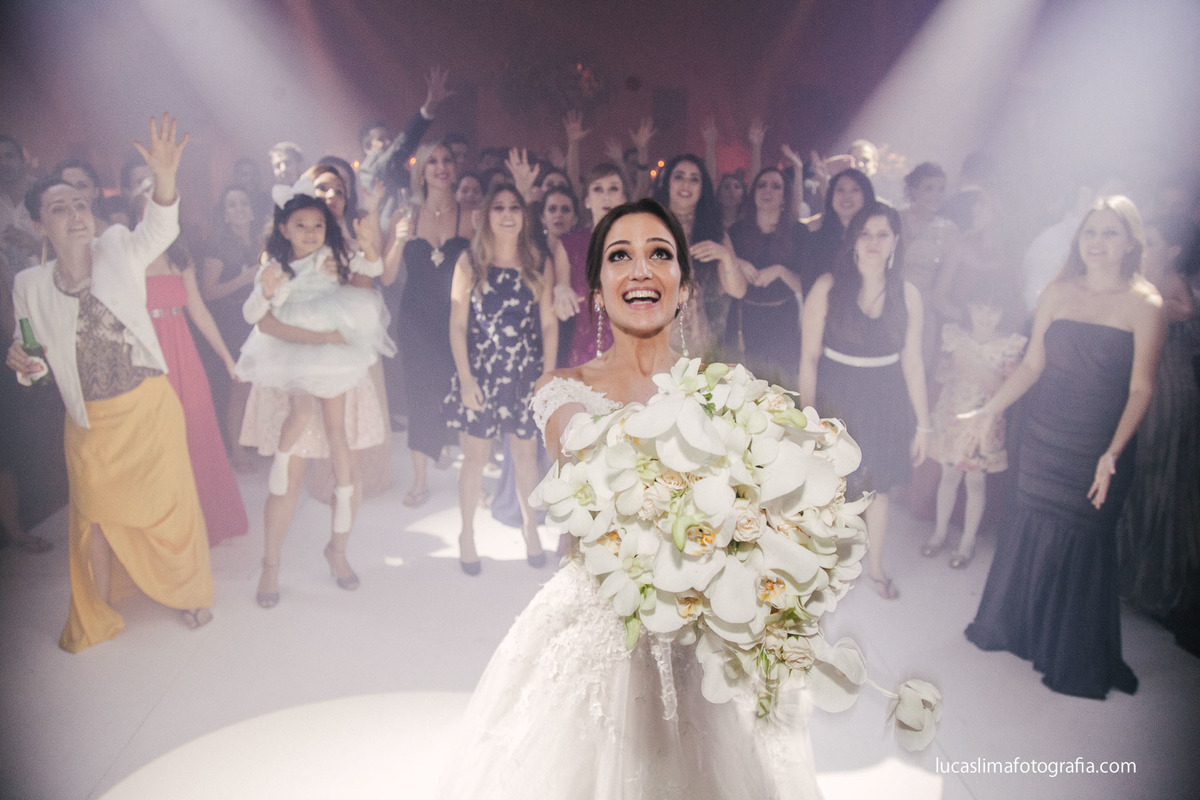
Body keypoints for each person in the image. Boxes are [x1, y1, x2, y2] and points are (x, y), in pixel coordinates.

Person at [436, 198, 822, 798]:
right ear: (596, 290)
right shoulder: (562, 391)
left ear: (683, 286)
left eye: (659, 254)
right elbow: (596, 485)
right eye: (621, 256)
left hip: (701, 636)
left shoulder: (726, 395)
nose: (641, 269)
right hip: (605, 632)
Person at [6, 113, 213, 651]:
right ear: (38, 226)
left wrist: (165, 178)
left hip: (147, 408)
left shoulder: (119, 246)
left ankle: (190, 592)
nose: (75, 214)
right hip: (89, 422)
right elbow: (34, 364)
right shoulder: (28, 284)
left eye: (80, 203)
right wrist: (24, 364)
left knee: (172, 507)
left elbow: (161, 229)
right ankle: (96, 607)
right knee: (92, 517)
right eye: (59, 208)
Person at [963, 196, 1165, 699]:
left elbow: (1142, 388)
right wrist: (991, 410)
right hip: (1045, 432)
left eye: (1110, 233)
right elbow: (1033, 366)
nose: (1097, 242)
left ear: (1131, 242)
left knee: (1082, 535)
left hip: (1098, 441)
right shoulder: (1058, 291)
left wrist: (1112, 452)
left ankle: (1067, 651)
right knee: (1030, 524)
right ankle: (1018, 631)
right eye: (1090, 232)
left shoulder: (1146, 304)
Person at [236, 192, 391, 605]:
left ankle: (337, 551)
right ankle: (270, 564)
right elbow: (261, 319)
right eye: (301, 225)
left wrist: (369, 238)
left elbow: (370, 272)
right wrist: (273, 294)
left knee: (346, 464)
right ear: (284, 228)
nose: (310, 233)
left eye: (318, 225)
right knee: (291, 472)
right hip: (292, 364)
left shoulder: (336, 260)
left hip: (338, 367)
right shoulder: (276, 268)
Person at [800, 201, 931, 600]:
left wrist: (924, 424)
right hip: (837, 393)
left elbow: (913, 362)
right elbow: (808, 356)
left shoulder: (908, 295)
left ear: (896, 242)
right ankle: (820, 565)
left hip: (886, 396)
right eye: (866, 233)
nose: (874, 242)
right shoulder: (827, 286)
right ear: (853, 239)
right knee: (831, 485)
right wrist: (807, 417)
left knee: (878, 488)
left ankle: (874, 567)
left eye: (883, 234)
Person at [444, 185, 556, 574]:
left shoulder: (539, 262)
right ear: (486, 215)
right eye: (498, 207)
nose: (507, 215)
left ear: (524, 216)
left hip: (524, 374)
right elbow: (457, 325)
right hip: (480, 373)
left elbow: (548, 325)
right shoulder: (470, 262)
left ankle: (531, 529)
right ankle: (467, 535)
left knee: (525, 456)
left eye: (514, 207)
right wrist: (465, 377)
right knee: (474, 458)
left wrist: (548, 377)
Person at [1115, 215, 1199, 619]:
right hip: (1143, 381)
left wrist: (1147, 303)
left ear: (1174, 250)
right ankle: (1126, 567)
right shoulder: (1137, 279)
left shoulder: (1171, 281)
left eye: (1154, 242)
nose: (1146, 248)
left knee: (1156, 472)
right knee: (1136, 472)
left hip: (1168, 387)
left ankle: (1148, 574)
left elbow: (1185, 312)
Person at [381, 140, 473, 507]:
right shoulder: (405, 216)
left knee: (463, 392)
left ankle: (470, 476)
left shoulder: (471, 215)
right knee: (420, 395)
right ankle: (420, 480)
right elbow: (387, 278)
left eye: (446, 159)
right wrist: (398, 242)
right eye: (431, 161)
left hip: (460, 316)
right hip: (416, 319)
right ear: (420, 171)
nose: (440, 167)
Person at [145, 231, 248, 546]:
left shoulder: (181, 257)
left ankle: (204, 518)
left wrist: (228, 358)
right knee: (156, 438)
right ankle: (165, 525)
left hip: (182, 349)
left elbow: (199, 311)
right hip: (145, 351)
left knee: (197, 430)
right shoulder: (126, 255)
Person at [921, 279, 1026, 568]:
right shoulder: (955, 337)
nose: (985, 316)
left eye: (993, 310)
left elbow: (1006, 388)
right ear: (969, 308)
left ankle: (967, 542)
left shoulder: (1009, 345)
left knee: (976, 483)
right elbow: (942, 376)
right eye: (980, 308)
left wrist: (974, 367)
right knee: (948, 477)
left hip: (983, 424)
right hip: (951, 416)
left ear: (1003, 313)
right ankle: (940, 533)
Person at [653, 154, 747, 358]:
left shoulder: (713, 231)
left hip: (704, 348)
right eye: (679, 176)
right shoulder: (649, 226)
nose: (686, 183)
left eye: (694, 179)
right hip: (655, 342)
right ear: (667, 183)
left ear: (702, 188)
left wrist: (725, 257)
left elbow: (738, 290)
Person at [726, 166, 808, 388]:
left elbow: (805, 286)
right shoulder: (736, 231)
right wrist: (736, 263)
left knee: (781, 388)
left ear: (784, 196)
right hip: (744, 317)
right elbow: (721, 278)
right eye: (762, 184)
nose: (767, 190)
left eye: (776, 186)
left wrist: (780, 271)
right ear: (753, 193)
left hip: (783, 320)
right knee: (742, 388)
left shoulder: (798, 232)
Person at [200, 185, 261, 469]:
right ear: (224, 214)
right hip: (232, 322)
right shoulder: (218, 246)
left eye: (243, 203)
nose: (239, 209)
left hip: (260, 319)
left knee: (259, 387)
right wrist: (244, 279)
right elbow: (207, 292)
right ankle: (236, 451)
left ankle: (256, 445)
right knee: (240, 387)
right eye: (232, 205)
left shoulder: (262, 240)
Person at [554, 162, 628, 368]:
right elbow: (561, 289)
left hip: (628, 353)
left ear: (624, 198)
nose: (606, 196)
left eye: (614, 189)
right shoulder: (569, 244)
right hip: (584, 356)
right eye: (598, 189)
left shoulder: (638, 243)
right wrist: (560, 293)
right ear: (587, 200)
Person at [899, 162, 959, 367]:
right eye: (929, 188)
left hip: (922, 313)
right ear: (913, 190)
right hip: (887, 304)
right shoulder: (893, 218)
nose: (937, 195)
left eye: (941, 189)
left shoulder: (950, 231)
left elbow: (941, 291)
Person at [802, 168, 875, 295]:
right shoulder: (816, 240)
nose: (846, 197)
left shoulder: (876, 238)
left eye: (855, 190)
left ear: (866, 195)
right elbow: (808, 287)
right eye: (840, 190)